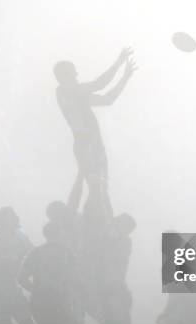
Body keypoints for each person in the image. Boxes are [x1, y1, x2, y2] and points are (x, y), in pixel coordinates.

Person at [54, 47, 137, 208]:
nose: (77, 75)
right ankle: (93, 224)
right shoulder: (65, 91)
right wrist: (119, 62)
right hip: (86, 145)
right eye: (73, 73)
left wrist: (125, 77)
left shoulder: (74, 95)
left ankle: (101, 222)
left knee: (101, 189)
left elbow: (107, 99)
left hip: (92, 144)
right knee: (96, 190)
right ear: (63, 76)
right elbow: (99, 84)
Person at [18, 221, 87, 324]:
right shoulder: (66, 253)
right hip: (57, 302)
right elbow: (75, 279)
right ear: (60, 233)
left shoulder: (36, 253)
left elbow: (21, 278)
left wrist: (37, 290)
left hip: (39, 302)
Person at [99, 213, 155, 324]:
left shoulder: (121, 242)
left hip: (115, 293)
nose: (113, 225)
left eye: (117, 224)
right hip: (110, 293)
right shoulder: (114, 241)